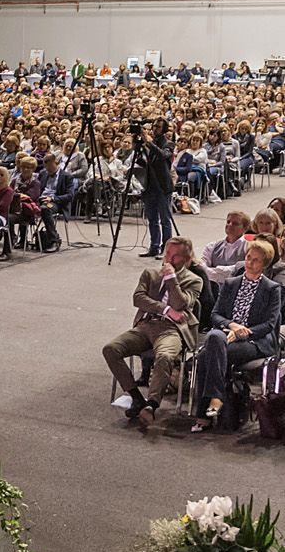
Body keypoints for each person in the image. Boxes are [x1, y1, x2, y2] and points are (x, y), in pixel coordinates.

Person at [101, 235, 201, 429]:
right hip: (146, 325)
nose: (168, 260)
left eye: (175, 256)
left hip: (171, 329)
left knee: (164, 356)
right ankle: (137, 398)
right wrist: (164, 309)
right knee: (111, 349)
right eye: (167, 254)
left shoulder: (194, 280)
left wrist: (171, 279)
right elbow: (138, 298)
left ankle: (152, 405)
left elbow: (180, 303)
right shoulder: (149, 273)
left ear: (186, 259)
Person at [191, 239, 282, 433]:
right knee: (215, 338)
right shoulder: (231, 284)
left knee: (204, 356)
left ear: (264, 264)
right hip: (225, 335)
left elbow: (269, 324)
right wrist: (232, 325)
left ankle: (203, 413)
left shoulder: (272, 289)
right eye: (248, 257)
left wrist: (243, 332)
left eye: (256, 260)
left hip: (254, 340)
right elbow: (215, 315)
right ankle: (215, 399)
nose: (249, 263)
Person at [137, 118, 175, 257]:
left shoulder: (169, 144)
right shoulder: (149, 144)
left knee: (165, 219)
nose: (155, 129)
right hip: (150, 185)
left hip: (162, 186)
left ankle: (166, 249)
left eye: (158, 127)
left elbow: (163, 155)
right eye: (154, 126)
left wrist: (149, 143)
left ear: (164, 129)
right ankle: (154, 247)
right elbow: (146, 164)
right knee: (152, 218)